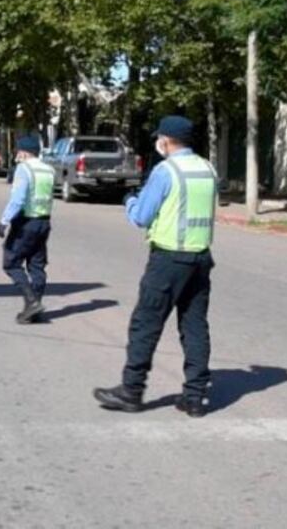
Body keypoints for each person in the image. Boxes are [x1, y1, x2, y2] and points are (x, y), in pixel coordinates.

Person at [93, 116, 218, 417]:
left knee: (145, 324)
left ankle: (131, 391)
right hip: (200, 258)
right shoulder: (208, 168)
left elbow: (141, 217)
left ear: (166, 140)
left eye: (158, 138)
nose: (157, 143)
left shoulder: (166, 171)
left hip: (168, 260)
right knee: (194, 326)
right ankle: (195, 396)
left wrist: (129, 201)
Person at [0, 136, 56, 324]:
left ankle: (31, 302)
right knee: (37, 266)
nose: (17, 155)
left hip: (26, 223)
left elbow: (18, 199)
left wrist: (4, 220)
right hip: (44, 222)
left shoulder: (24, 169)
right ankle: (35, 310)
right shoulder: (49, 170)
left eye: (18, 151)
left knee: (11, 263)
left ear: (23, 152)